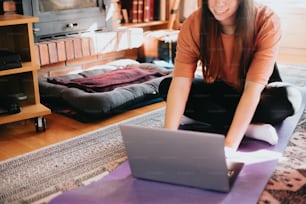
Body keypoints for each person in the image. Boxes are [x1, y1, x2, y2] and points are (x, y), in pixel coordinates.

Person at [159, 0, 302, 155]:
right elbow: (181, 83)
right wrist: (168, 138)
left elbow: (252, 90)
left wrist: (229, 146)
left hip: (260, 93)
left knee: (288, 99)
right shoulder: (193, 23)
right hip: (225, 90)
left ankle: (208, 117)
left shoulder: (266, 20)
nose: (218, 4)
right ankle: (249, 129)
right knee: (167, 86)